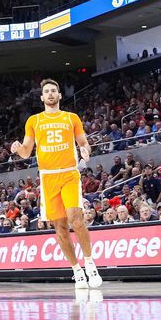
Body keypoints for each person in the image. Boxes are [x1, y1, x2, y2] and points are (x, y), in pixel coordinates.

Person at [10, 79, 102, 290]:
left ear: (60, 95)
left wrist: (86, 150)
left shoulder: (71, 118)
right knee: (60, 227)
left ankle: (90, 264)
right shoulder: (34, 120)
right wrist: (17, 148)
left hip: (69, 174)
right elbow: (26, 151)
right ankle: (77, 271)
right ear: (42, 97)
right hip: (48, 177)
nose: (51, 94)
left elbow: (83, 142)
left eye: (54, 91)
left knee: (75, 219)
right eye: (47, 92)